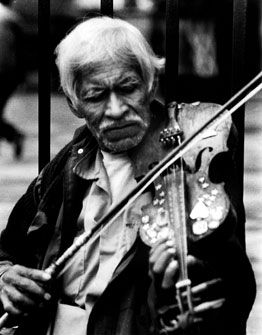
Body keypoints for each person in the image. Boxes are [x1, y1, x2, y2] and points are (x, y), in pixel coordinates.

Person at [0, 16, 256, 335]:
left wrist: (187, 280)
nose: (116, 109)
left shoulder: (192, 150)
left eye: (128, 88)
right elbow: (8, 250)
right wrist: (5, 276)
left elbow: (234, 290)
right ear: (73, 103)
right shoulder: (68, 162)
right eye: (96, 96)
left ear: (149, 83)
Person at [0, 0, 25, 160]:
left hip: (3, 74)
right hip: (8, 74)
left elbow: (4, 56)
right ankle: (14, 136)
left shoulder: (5, 19)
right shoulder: (10, 18)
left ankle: (14, 136)